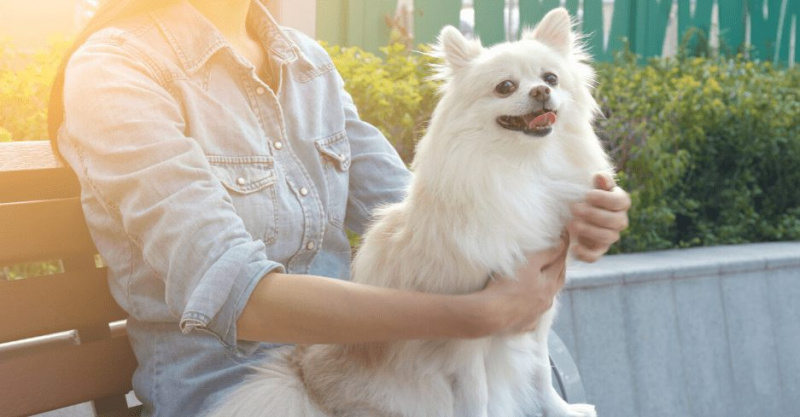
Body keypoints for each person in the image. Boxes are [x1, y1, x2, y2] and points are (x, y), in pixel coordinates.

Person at [48, 0, 631, 415]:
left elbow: (433, 219)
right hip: (243, 388)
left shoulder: (307, 62)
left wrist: (570, 219)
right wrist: (476, 316)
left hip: (374, 371)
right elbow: (237, 296)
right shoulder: (115, 73)